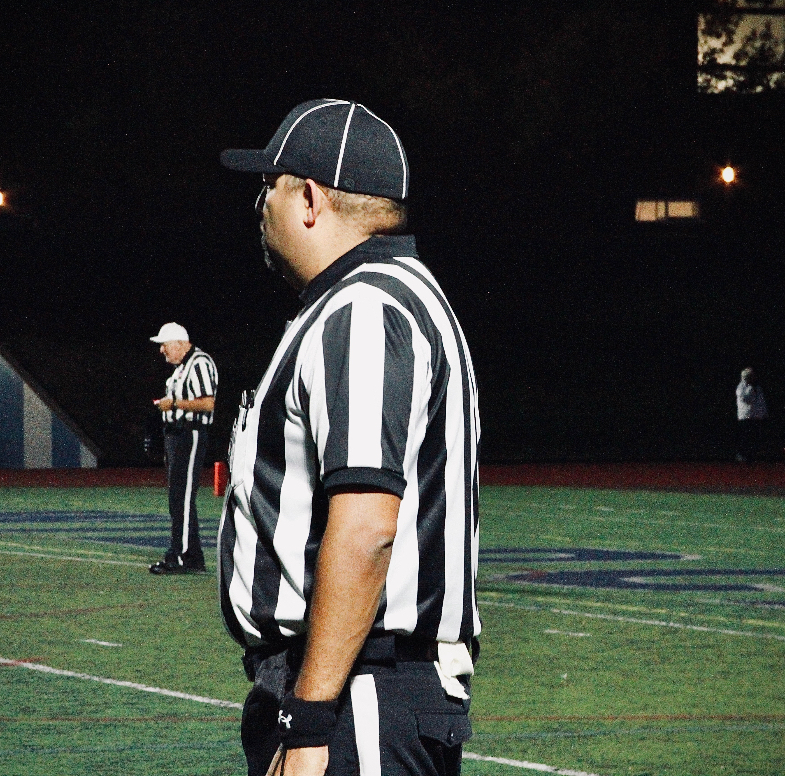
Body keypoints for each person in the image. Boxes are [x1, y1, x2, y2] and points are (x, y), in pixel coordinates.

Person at [218, 99, 481, 776]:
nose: (260, 206)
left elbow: (368, 527)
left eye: (268, 186)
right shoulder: (386, 295)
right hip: (357, 689)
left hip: (358, 692)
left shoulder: (364, 307)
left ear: (309, 197)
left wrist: (309, 718)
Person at [147, 322, 218, 574]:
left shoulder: (199, 363)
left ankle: (182, 556)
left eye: (165, 345)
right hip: (177, 435)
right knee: (178, 497)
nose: (162, 351)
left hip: (190, 434)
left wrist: (174, 403)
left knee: (182, 497)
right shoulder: (182, 368)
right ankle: (192, 556)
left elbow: (208, 404)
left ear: (179, 343)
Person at [735, 366, 767, 462]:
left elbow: (761, 401)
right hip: (746, 416)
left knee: (755, 437)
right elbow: (746, 399)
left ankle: (753, 456)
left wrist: (764, 412)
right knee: (746, 437)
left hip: (756, 416)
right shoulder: (741, 388)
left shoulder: (757, 387)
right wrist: (751, 389)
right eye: (751, 376)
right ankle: (742, 455)